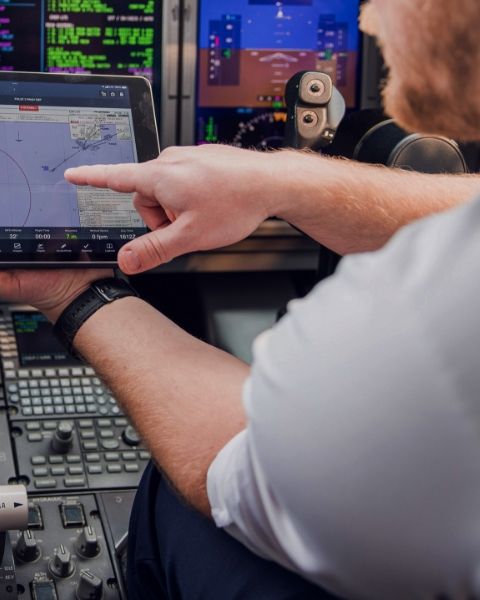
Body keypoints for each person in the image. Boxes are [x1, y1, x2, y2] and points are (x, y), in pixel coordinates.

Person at [3, 1, 480, 598]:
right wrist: (284, 181)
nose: (370, 20)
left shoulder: (433, 309)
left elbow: (235, 466)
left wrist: (74, 295)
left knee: (180, 502)